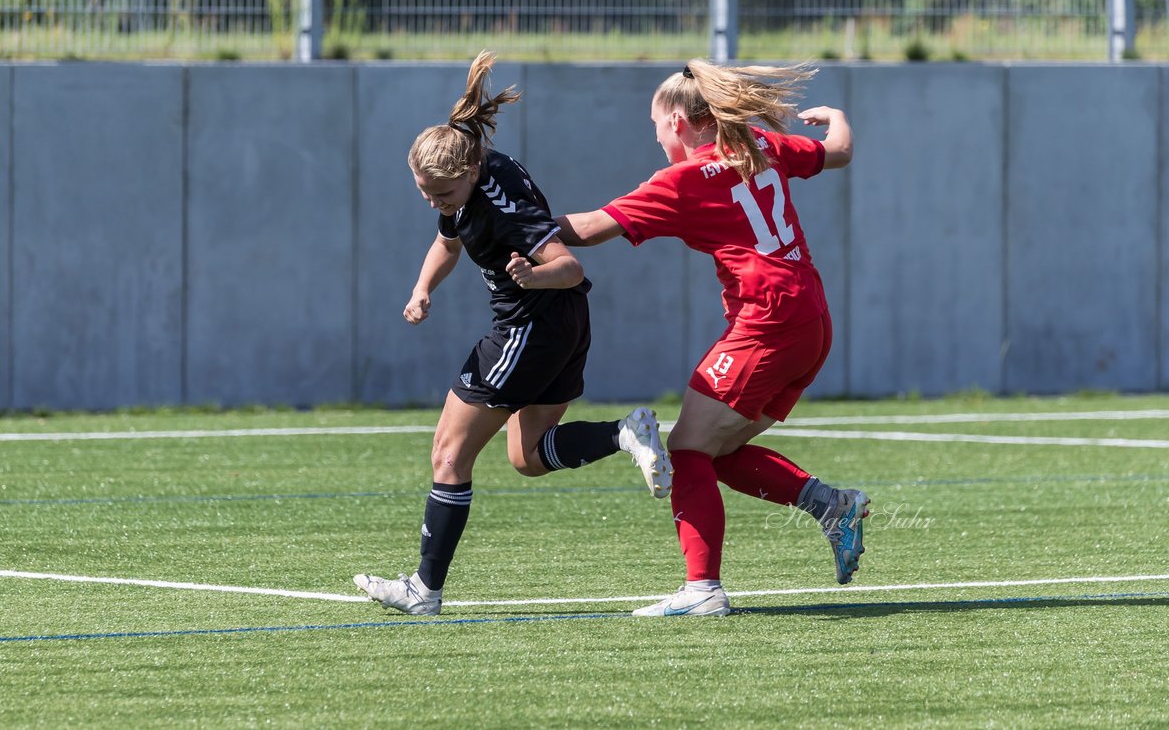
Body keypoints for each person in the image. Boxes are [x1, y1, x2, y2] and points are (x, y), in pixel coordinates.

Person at [354, 51, 671, 616]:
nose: (434, 203)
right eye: (425, 194)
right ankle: (625, 433)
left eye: (442, 195)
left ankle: (423, 591)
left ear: (471, 174)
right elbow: (448, 241)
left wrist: (532, 273)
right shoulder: (472, 173)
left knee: (449, 455)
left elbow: (569, 268)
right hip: (560, 325)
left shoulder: (499, 202)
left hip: (530, 325)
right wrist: (422, 288)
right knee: (528, 455)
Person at [555, 59, 868, 617]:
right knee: (716, 450)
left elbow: (590, 228)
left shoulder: (682, 179)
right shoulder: (761, 146)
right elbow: (839, 152)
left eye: (654, 125)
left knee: (689, 450)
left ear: (678, 120)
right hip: (810, 318)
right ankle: (831, 505)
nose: (655, 137)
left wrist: (507, 223)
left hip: (767, 322)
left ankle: (702, 591)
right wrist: (838, 115)